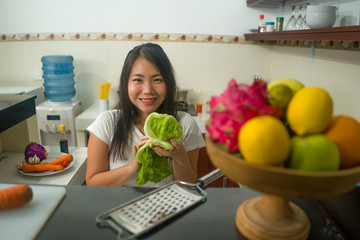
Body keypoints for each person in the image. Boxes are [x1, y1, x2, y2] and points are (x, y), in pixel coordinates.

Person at [86, 43, 205, 187]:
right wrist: (133, 166)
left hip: (167, 208)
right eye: (138, 80)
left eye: (157, 80)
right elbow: (92, 182)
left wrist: (180, 157)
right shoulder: (107, 122)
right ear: (126, 83)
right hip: (118, 208)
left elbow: (188, 186)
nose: (148, 90)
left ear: (169, 83)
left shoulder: (185, 124)